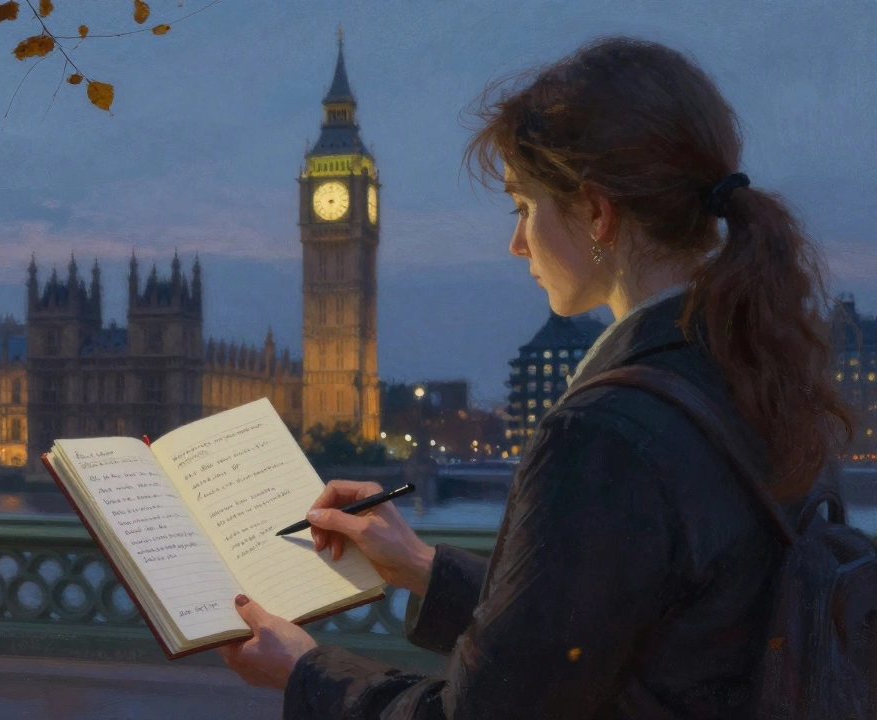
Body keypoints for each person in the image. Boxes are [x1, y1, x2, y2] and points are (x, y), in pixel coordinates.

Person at [217, 36, 853, 718]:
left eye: (523, 207)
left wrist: (307, 672)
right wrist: (423, 569)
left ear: (597, 213)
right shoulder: (754, 369)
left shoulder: (602, 434)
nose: (516, 242)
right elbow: (609, 620)